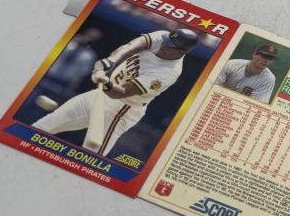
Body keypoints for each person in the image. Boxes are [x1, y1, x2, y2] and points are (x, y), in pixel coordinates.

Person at [37, 28, 199, 157]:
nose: (163, 45)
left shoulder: (167, 73)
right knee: (43, 126)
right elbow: (130, 47)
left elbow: (120, 92)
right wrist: (110, 61)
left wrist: (104, 81)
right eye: (165, 41)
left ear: (181, 52)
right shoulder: (163, 36)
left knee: (89, 157)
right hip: (100, 95)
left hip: (121, 110)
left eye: (169, 46)